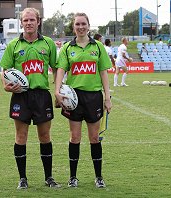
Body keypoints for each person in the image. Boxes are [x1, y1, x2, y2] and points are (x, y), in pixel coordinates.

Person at [0, 7, 60, 189]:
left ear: (38, 21)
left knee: (45, 135)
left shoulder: (48, 43)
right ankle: (22, 179)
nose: (29, 23)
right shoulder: (13, 46)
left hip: (42, 95)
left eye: (32, 20)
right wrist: (5, 85)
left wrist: (57, 91)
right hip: (20, 96)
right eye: (25, 20)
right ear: (21, 23)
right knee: (21, 136)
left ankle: (49, 178)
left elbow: (56, 69)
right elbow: (4, 70)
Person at [54, 12, 112, 188]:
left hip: (94, 96)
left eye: (83, 24)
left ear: (89, 25)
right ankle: (73, 177)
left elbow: (103, 72)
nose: (80, 27)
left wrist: (107, 97)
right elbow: (61, 71)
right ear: (73, 27)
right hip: (74, 97)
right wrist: (57, 91)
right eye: (77, 24)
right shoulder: (67, 48)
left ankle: (99, 177)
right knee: (75, 137)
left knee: (94, 138)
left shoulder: (98, 47)